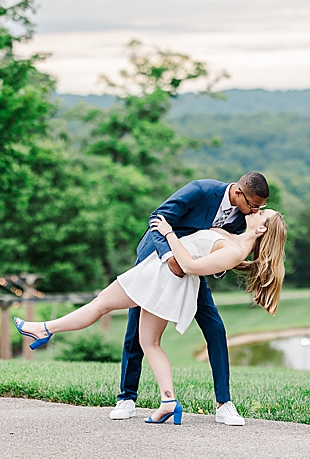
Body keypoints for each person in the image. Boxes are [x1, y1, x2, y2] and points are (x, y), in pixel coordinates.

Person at [14, 208, 287, 425]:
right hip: (165, 278)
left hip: (162, 277)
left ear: (262, 228)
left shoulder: (235, 250)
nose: (258, 210)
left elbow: (190, 265)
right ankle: (168, 401)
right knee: (149, 342)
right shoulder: (234, 238)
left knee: (100, 305)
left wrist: (168, 234)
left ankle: (44, 329)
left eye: (263, 212)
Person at [115, 173, 270, 426]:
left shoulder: (242, 219)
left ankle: (224, 404)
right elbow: (158, 218)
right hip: (158, 259)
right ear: (238, 193)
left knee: (216, 328)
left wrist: (214, 266)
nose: (254, 211)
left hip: (191, 270)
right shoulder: (201, 190)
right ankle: (127, 398)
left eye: (259, 208)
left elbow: (220, 252)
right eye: (253, 205)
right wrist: (169, 259)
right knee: (137, 330)